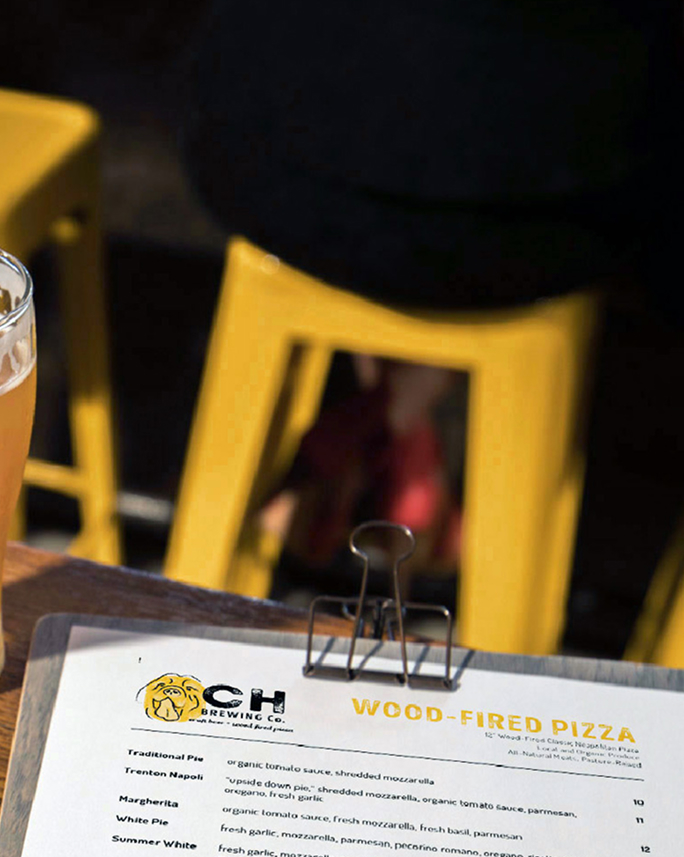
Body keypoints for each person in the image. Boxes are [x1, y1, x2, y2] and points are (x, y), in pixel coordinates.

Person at [182, 0, 684, 569]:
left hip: (268, 154)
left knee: (399, 91)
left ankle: (393, 430)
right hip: (538, 216)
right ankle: (395, 416)